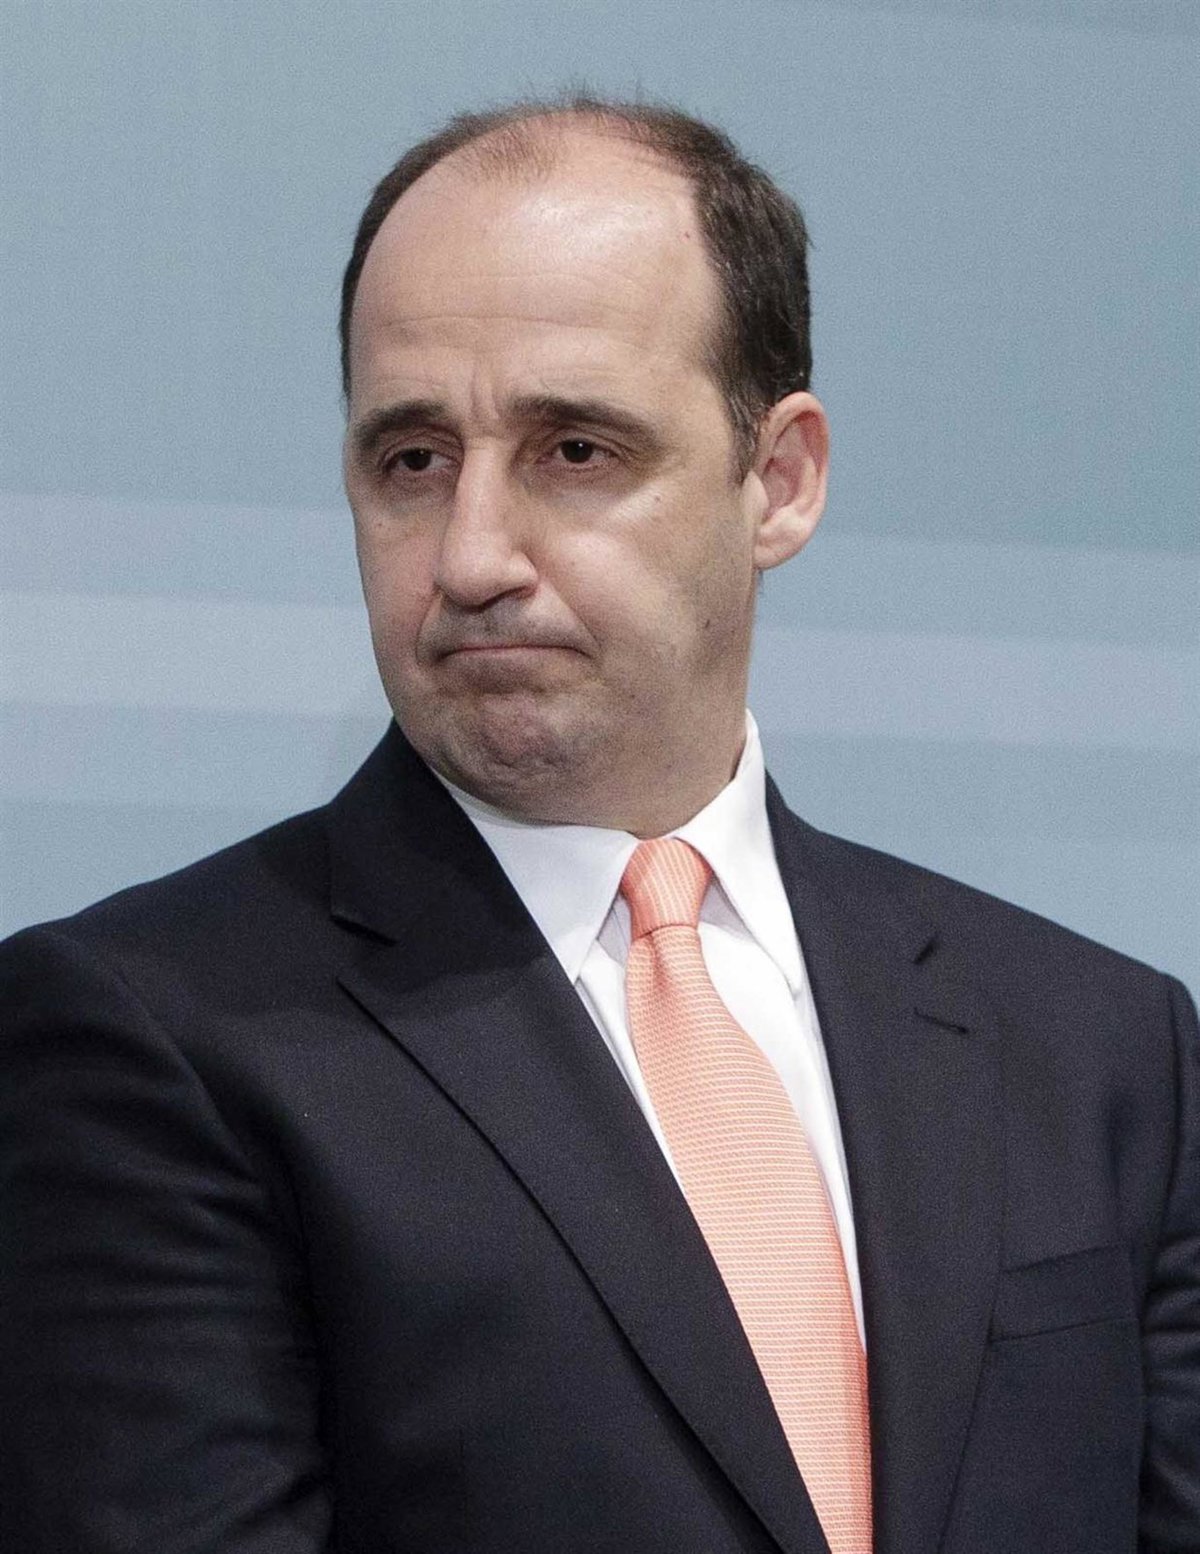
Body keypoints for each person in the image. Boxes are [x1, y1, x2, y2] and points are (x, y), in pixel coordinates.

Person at [1, 95, 1196, 1554]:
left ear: (780, 480)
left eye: (574, 450)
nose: (471, 557)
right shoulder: (151, 1037)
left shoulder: (1100, 1047)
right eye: (412, 460)